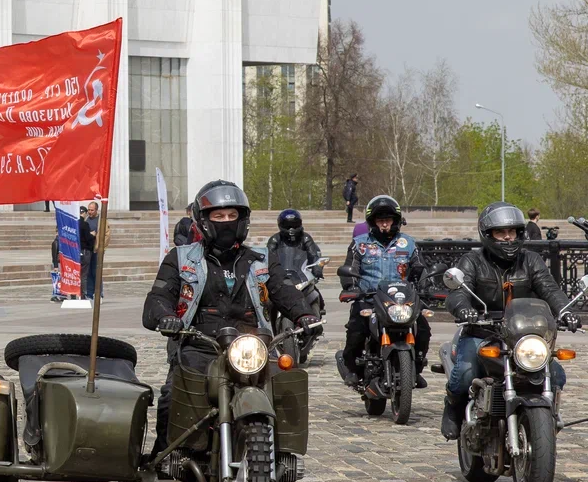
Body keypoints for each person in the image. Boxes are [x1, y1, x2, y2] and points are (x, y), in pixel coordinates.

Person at [143, 180, 322, 449]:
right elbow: (158, 297)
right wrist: (165, 316)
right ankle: (167, 455)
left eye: (232, 215)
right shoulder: (180, 258)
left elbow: (284, 290)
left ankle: (283, 458)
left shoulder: (262, 258)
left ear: (243, 219)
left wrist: (304, 314)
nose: (226, 221)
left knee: (287, 388)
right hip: (199, 344)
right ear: (203, 220)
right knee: (172, 396)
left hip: (253, 346)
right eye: (219, 216)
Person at [440, 201, 580, 440]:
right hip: (482, 332)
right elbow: (458, 293)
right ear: (487, 235)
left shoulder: (531, 261)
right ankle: (453, 408)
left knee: (556, 374)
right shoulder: (472, 261)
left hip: (521, 335)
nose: (507, 237)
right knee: (465, 373)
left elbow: (550, 289)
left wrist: (566, 311)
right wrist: (464, 309)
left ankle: (547, 415)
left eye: (512, 231)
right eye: (500, 232)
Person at [337, 195, 431, 389]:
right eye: (380, 220)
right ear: (373, 222)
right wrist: (351, 288)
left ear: (396, 221)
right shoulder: (360, 244)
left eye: (388, 219)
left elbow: (420, 269)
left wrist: (426, 287)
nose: (385, 224)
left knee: (423, 328)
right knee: (356, 329)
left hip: (402, 300)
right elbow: (350, 269)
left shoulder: (408, 243)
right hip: (370, 299)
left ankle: (416, 368)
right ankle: (352, 368)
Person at [80, 202, 100, 298]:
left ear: (96, 210)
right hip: (88, 250)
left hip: (96, 249)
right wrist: (91, 235)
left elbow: (106, 235)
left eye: (92, 210)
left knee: (96, 272)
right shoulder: (86, 220)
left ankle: (99, 293)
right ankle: (89, 293)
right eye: (88, 210)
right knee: (87, 273)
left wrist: (100, 247)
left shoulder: (100, 221)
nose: (90, 212)